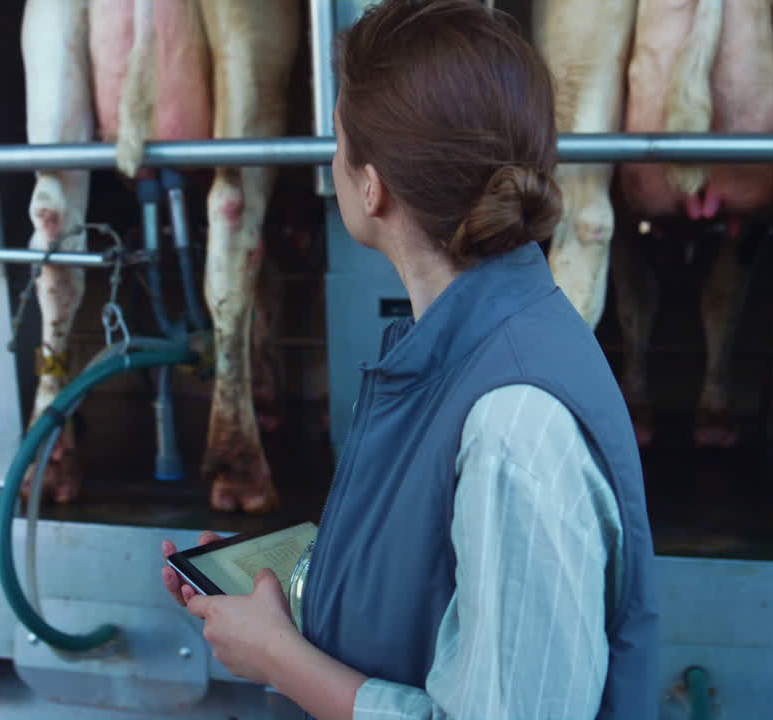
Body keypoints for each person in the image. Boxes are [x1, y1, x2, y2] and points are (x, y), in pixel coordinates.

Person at [159, 1, 660, 718]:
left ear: (371, 185)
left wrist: (279, 658)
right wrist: (285, 600)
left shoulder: (512, 423)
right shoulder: (470, 352)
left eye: (338, 140)